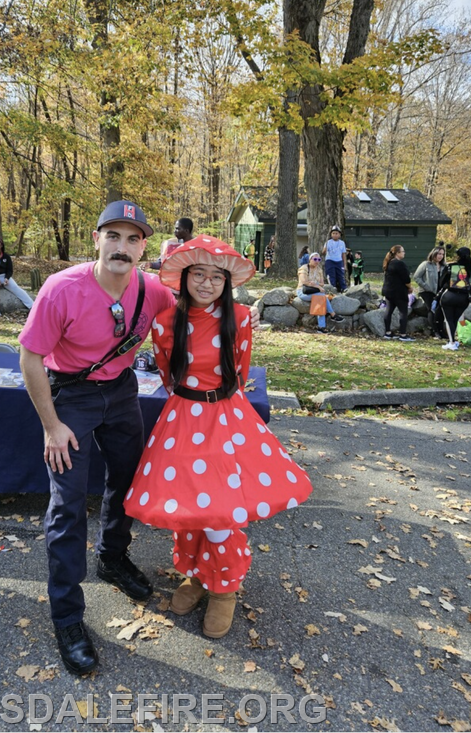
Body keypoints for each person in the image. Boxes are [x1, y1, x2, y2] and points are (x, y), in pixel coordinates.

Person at [18, 203, 261, 675]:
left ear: (144, 247)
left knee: (127, 483)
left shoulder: (151, 291)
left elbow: (199, 314)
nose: (122, 247)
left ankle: (112, 557)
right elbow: (29, 359)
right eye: (113, 236)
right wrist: (52, 425)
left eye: (132, 239)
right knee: (67, 508)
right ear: (97, 238)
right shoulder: (61, 289)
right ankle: (67, 618)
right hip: (71, 399)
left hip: (122, 395)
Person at [124, 236, 313, 639]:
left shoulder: (241, 317)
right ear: (185, 277)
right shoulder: (165, 321)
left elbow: (240, 371)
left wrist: (223, 411)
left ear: (227, 283)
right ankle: (194, 575)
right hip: (182, 418)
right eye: (198, 274)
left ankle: (224, 588)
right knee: (190, 505)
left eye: (216, 277)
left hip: (224, 417)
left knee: (219, 509)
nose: (207, 284)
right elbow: (165, 371)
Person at [0, 237, 34, 319]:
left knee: (16, 288)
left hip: (4, 276)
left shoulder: (6, 256)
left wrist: (7, 278)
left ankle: (32, 306)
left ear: (1, 245)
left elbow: (10, 270)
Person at [296, 253, 345, 333]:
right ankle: (332, 315)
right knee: (322, 297)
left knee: (321, 299)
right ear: (310, 259)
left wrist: (314, 284)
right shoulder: (304, 268)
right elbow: (304, 282)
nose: (317, 261)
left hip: (315, 292)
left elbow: (322, 283)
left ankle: (321, 328)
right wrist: (317, 286)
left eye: (319, 260)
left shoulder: (319, 270)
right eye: (315, 259)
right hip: (303, 292)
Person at [438, 246, 471, 351]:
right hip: (464, 297)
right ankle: (453, 340)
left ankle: (452, 342)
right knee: (455, 319)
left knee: (449, 320)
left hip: (450, 295)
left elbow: (441, 282)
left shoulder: (451, 266)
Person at [381, 245, 414, 343]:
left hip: (388, 291)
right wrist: (410, 287)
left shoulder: (388, 263)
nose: (404, 253)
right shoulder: (400, 264)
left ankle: (387, 332)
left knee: (389, 311)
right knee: (403, 312)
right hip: (399, 292)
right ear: (397, 253)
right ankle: (403, 334)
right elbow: (406, 279)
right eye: (403, 251)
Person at [413, 245, 446, 337]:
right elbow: (416, 277)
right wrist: (426, 286)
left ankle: (441, 331)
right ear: (434, 253)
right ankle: (435, 332)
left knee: (441, 310)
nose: (440, 256)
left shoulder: (444, 266)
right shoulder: (426, 264)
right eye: (439, 253)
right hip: (427, 291)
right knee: (432, 309)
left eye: (442, 254)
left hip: (439, 292)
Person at [322, 225, 347, 292]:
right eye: (333, 233)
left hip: (339, 261)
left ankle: (343, 288)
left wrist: (344, 264)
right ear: (331, 234)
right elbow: (323, 252)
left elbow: (343, 254)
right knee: (331, 275)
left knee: (341, 275)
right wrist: (326, 248)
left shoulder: (342, 243)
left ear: (339, 234)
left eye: (336, 233)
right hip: (330, 260)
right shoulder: (328, 242)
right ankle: (333, 288)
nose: (335, 235)